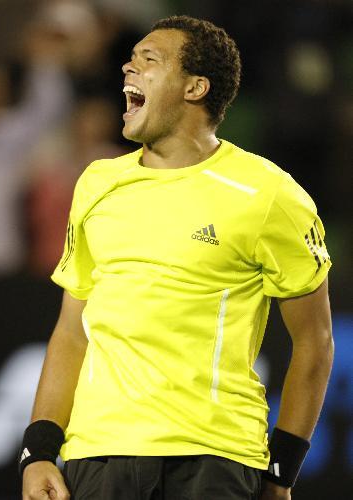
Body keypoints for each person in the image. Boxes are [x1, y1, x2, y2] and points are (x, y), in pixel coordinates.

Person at [19, 15, 333, 500]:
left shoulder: (268, 194)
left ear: (195, 87)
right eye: (131, 58)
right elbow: (71, 332)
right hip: (98, 457)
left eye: (149, 59)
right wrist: (39, 450)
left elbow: (314, 341)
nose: (128, 66)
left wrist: (281, 472)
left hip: (215, 459)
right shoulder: (98, 184)